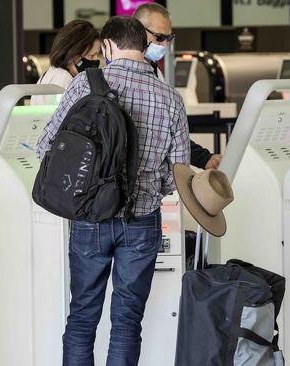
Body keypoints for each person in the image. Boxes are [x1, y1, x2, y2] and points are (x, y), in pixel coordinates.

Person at [36, 16, 189, 366]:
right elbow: (177, 171)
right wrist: (151, 188)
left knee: (82, 318)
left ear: (107, 46)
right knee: (126, 322)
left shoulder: (86, 84)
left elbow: (47, 143)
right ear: (144, 46)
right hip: (142, 221)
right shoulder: (170, 98)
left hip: (90, 217)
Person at [133, 2, 222, 170]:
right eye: (159, 37)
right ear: (138, 31)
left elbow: (169, 128)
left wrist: (205, 159)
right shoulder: (128, 74)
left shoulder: (154, 70)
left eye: (169, 38)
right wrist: (204, 158)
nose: (165, 45)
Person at [31, 20, 100, 105]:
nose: (96, 60)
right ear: (72, 55)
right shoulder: (63, 80)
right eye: (91, 56)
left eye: (97, 55)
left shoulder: (53, 72)